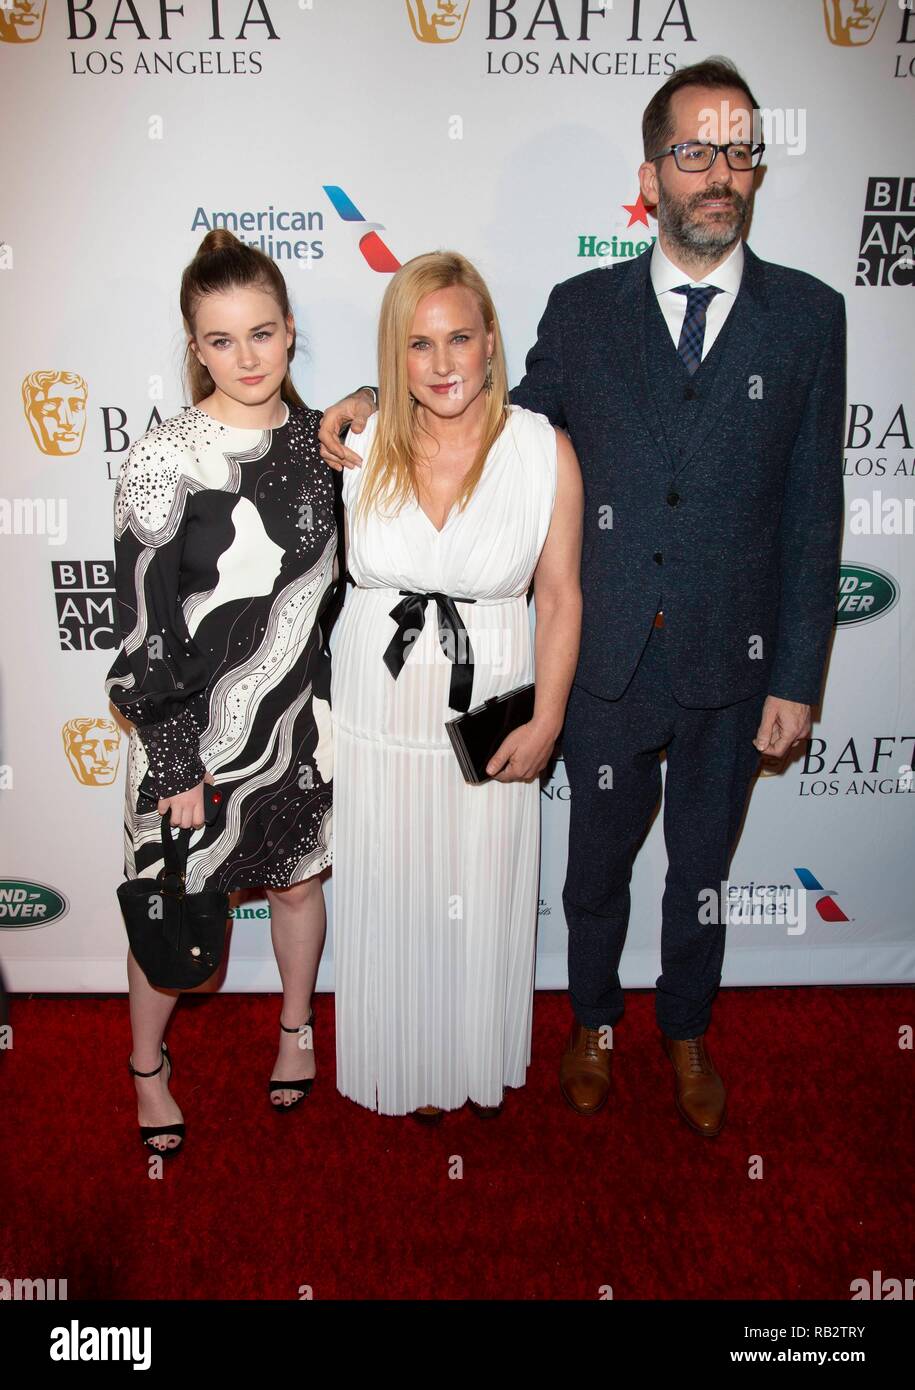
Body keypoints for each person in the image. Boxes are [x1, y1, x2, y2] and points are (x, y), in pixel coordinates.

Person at [318, 58, 846, 1137]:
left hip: (729, 663)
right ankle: (594, 1020)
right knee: (597, 863)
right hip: (602, 655)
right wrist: (379, 393)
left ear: (757, 171)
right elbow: (496, 417)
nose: (719, 173)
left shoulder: (809, 319)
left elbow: (813, 510)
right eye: (693, 151)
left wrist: (798, 675)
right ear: (648, 175)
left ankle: (687, 1028)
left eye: (739, 150)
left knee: (702, 866)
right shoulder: (582, 308)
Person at [329, 251, 582, 1120]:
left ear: (489, 344)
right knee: (392, 884)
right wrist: (356, 404)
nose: (441, 364)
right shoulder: (356, 444)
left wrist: (548, 718)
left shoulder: (542, 450)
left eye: (459, 339)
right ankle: (404, 1061)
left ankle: (465, 1057)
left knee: (475, 890)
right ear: (391, 356)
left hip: (489, 708)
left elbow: (558, 596)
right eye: (417, 343)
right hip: (377, 710)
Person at [106, 229, 342, 1157]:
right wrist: (173, 762)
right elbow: (139, 623)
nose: (246, 358)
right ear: (193, 346)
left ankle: (295, 1030)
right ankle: (146, 1069)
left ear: (290, 332)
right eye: (220, 340)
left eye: (263, 333)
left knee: (294, 889)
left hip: (296, 725)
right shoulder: (165, 459)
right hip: (185, 738)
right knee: (169, 905)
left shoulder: (329, 444)